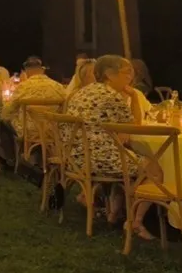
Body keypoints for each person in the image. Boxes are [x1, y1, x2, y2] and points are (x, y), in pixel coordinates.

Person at [65, 55, 156, 239]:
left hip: (76, 158)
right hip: (98, 159)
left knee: (129, 157)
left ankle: (115, 212)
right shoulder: (111, 96)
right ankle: (136, 222)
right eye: (126, 73)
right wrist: (133, 96)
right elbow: (135, 126)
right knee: (153, 168)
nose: (130, 77)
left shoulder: (82, 92)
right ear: (109, 74)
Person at [0, 56, 66, 168]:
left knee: (4, 122)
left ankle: (12, 160)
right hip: (53, 129)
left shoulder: (23, 87)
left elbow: (7, 111)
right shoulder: (58, 87)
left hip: (29, 131)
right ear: (43, 70)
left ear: (26, 72)